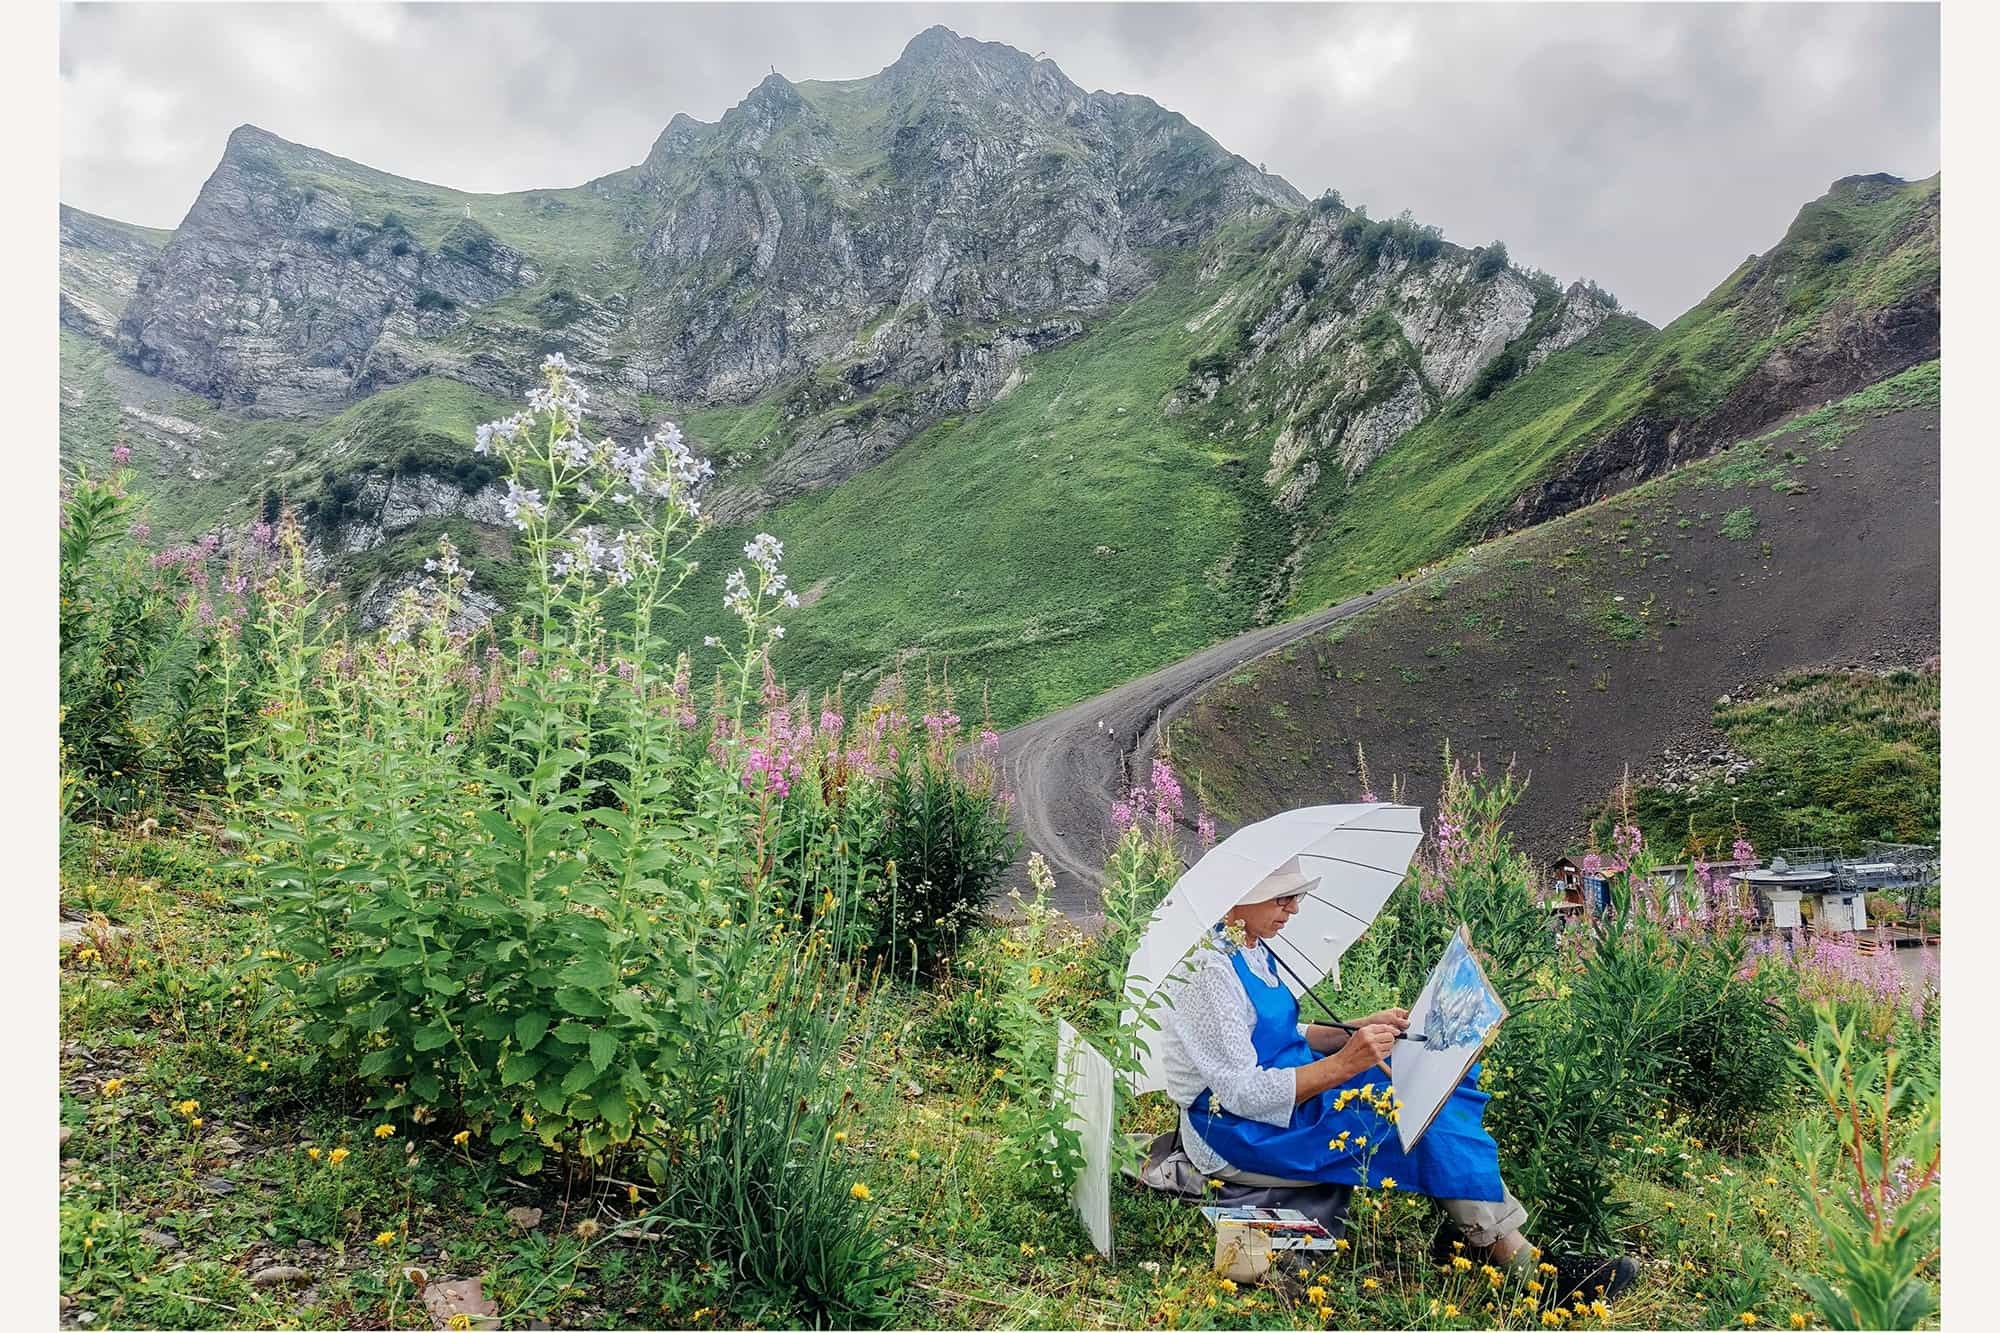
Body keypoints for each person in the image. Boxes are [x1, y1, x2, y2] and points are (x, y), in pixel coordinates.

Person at [1149, 862, 1637, 1306]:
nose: (1294, 908)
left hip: (1290, 1096)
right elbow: (1241, 1092)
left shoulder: (1250, 947)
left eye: (1296, 895)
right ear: (1236, 897)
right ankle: (1529, 1271)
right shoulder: (1207, 973)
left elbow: (1280, 1033)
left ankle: (1473, 1226)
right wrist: (1345, 1061)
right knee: (1416, 1117)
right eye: (1282, 897)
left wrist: (1352, 1029)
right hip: (1239, 1131)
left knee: (1441, 1081)